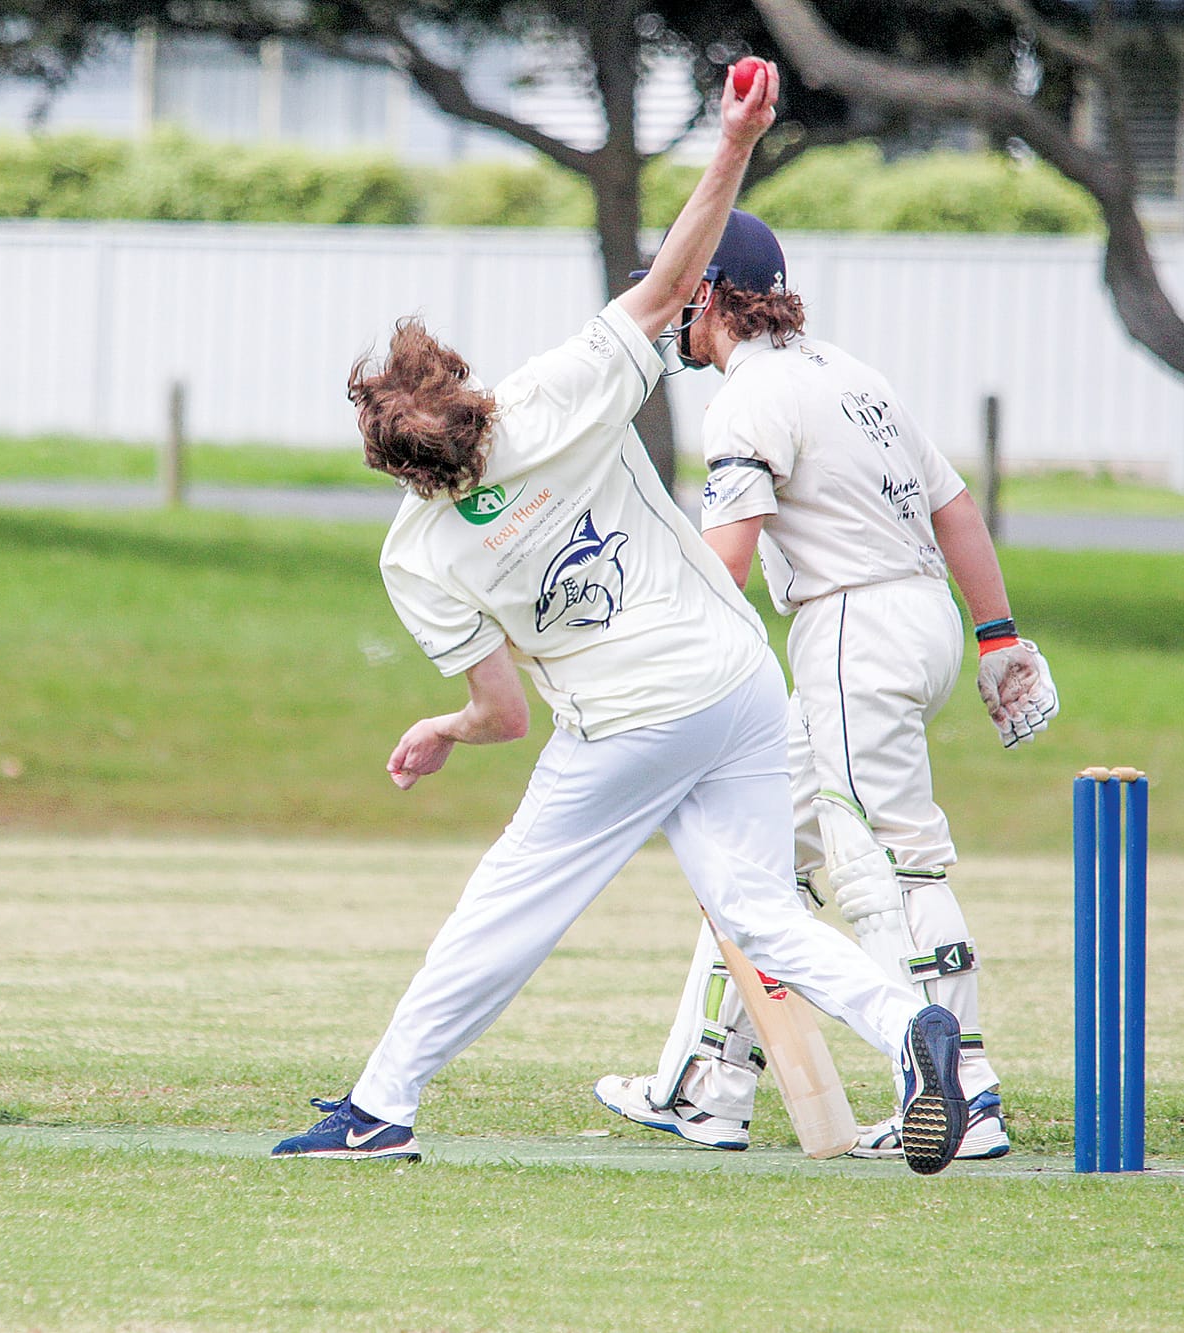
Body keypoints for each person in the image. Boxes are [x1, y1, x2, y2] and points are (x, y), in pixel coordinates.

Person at [270, 66, 969, 1177]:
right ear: (466, 388)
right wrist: (735, 138)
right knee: (754, 907)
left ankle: (378, 1104)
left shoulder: (416, 552)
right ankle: (908, 1027)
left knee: (506, 905)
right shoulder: (550, 393)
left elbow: (501, 710)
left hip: (632, 715)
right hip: (740, 682)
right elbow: (686, 268)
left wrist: (448, 729)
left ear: (395, 466)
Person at [591, 209, 1059, 1160]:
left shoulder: (746, 396)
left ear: (713, 294)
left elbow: (729, 557)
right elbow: (953, 506)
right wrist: (997, 630)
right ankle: (707, 1086)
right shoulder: (853, 375)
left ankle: (962, 1092)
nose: (669, 305)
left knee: (888, 857)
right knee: (758, 861)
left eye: (682, 287)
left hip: (852, 628)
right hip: (915, 614)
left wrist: (639, 641)